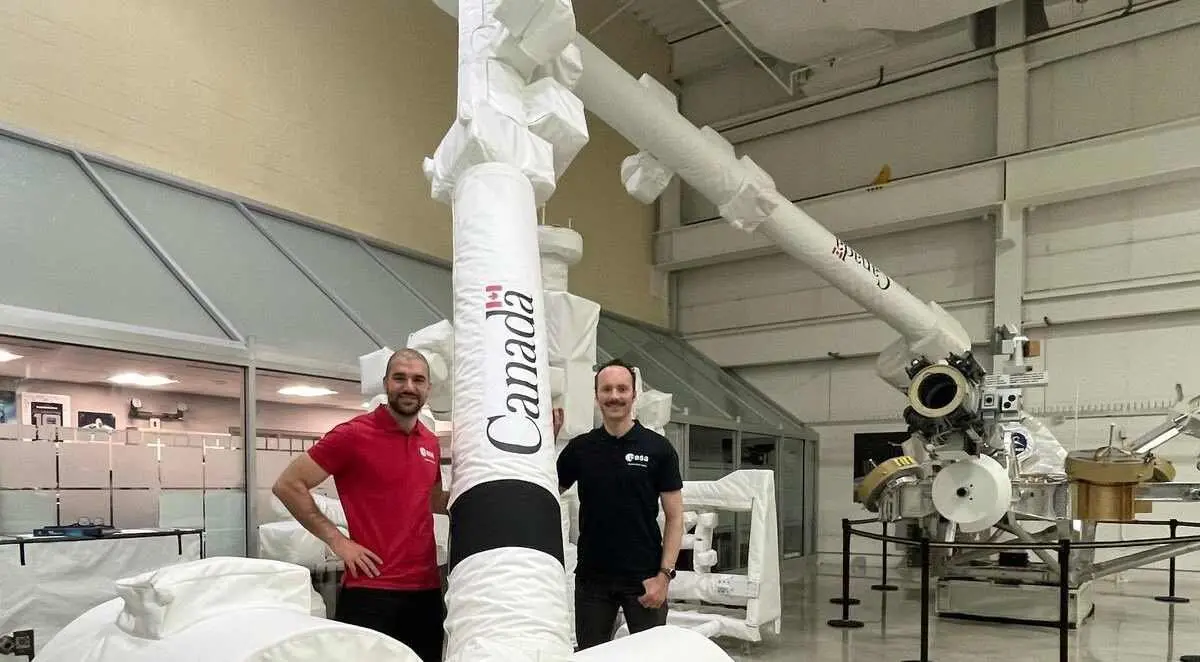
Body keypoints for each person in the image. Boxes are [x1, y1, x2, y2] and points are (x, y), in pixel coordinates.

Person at [272, 348, 448, 661]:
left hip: (425, 590)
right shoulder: (353, 435)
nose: (409, 386)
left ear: (428, 389)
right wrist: (338, 541)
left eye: (418, 380)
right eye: (400, 378)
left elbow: (433, 499)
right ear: (386, 383)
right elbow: (288, 485)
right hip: (371, 591)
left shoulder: (429, 442)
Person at [555, 357, 684, 650]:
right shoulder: (580, 449)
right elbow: (548, 494)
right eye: (607, 389)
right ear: (597, 395)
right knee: (591, 655)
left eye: (622, 389)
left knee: (650, 656)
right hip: (592, 581)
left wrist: (664, 577)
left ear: (634, 394)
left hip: (645, 578)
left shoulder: (657, 449)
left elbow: (675, 516)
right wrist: (546, 441)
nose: (614, 396)